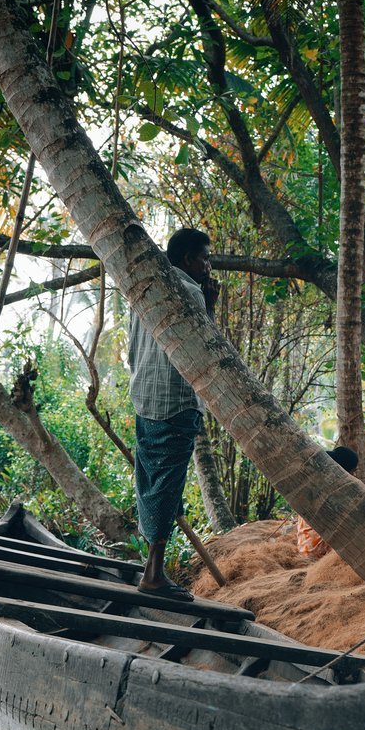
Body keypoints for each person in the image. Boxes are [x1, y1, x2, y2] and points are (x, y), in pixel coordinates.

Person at [130, 228, 218, 599]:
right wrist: (211, 306)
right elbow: (205, 347)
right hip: (176, 401)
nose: (208, 265)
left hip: (144, 397)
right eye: (204, 258)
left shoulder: (145, 288)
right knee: (167, 484)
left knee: (151, 480)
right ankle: (153, 573)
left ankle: (153, 566)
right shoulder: (191, 292)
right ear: (186, 260)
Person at [295, 446, 359, 559]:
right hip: (320, 552)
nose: (353, 476)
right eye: (352, 471)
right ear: (342, 470)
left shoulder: (313, 485)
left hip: (304, 549)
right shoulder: (336, 490)